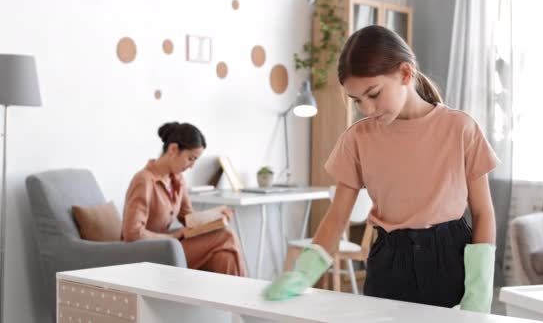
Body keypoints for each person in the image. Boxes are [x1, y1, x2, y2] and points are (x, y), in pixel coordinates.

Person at [264, 25, 498, 313]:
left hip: (450, 260)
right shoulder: (357, 139)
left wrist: (479, 289)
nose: (367, 108)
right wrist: (304, 272)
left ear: (405, 74)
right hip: (389, 264)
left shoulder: (460, 128)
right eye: (357, 100)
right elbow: (338, 216)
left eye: (373, 94)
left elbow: (483, 212)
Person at [122, 122, 246, 277]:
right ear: (173, 149)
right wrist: (172, 236)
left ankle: (230, 300)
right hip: (146, 253)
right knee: (226, 236)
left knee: (224, 256)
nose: (192, 166)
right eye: (190, 158)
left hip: (168, 247)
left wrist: (216, 216)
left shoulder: (177, 180)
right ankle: (245, 297)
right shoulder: (144, 180)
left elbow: (188, 219)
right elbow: (132, 234)